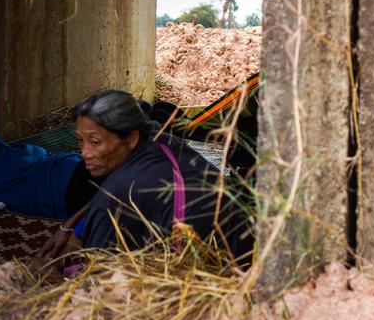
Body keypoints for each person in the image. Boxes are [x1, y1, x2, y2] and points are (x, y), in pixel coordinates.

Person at [63, 90, 252, 262]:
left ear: (131, 138)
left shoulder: (119, 191)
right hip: (247, 250)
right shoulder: (165, 141)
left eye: (95, 142)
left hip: (221, 274)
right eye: (81, 141)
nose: (85, 152)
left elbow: (93, 275)